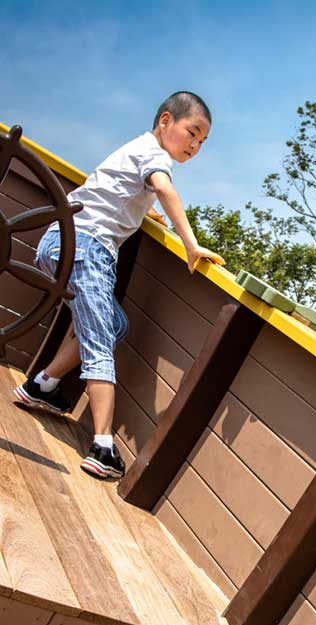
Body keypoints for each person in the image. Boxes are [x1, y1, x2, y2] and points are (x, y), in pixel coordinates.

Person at [14, 91, 224, 478]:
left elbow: (122, 194)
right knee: (98, 342)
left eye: (202, 141)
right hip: (85, 248)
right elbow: (163, 187)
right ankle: (103, 447)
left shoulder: (141, 151)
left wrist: (149, 214)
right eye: (192, 132)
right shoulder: (156, 157)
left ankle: (42, 385)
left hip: (65, 240)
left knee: (113, 326)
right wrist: (191, 246)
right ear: (165, 121)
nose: (195, 145)